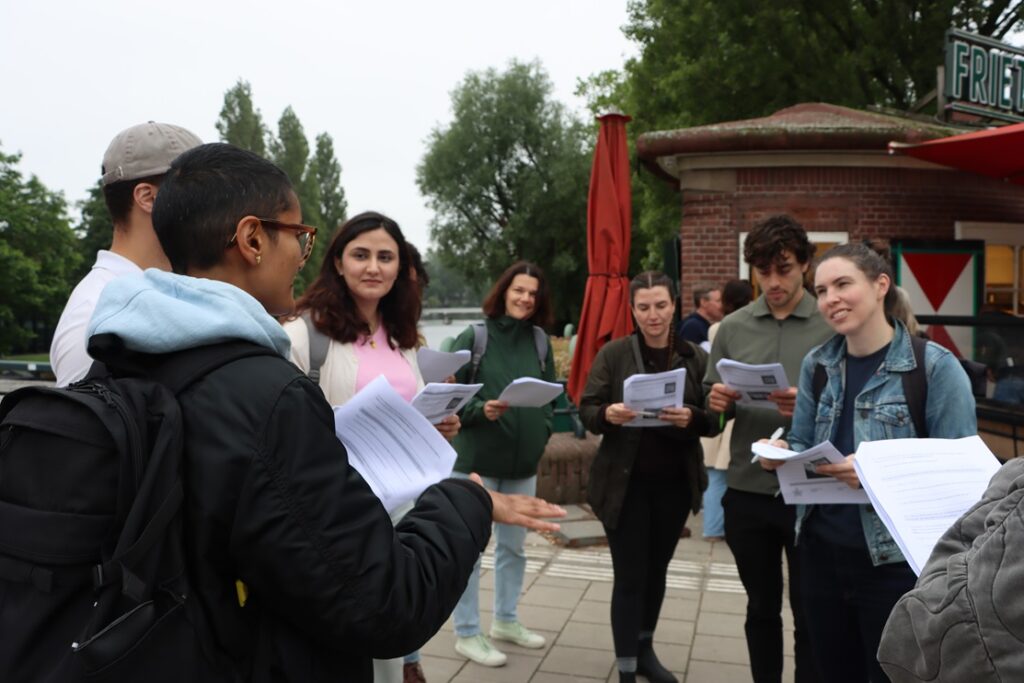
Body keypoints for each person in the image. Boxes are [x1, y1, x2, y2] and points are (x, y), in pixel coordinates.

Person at [83, 142, 564, 681]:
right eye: (300, 236)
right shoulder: (270, 391)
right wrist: (468, 499)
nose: (301, 254)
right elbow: (384, 602)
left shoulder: (114, 361)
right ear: (252, 239)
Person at [761, 243, 976, 682]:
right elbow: (803, 439)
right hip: (820, 552)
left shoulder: (934, 367)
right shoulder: (817, 365)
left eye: (843, 284)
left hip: (895, 566)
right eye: (821, 290)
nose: (830, 299)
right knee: (830, 671)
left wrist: (875, 473)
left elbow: (963, 476)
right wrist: (780, 452)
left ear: (881, 285)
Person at [282, 212, 458, 683]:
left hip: (405, 503)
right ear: (338, 262)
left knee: (397, 617)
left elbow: (406, 411)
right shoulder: (303, 335)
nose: (373, 267)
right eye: (361, 255)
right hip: (342, 508)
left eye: (386, 257)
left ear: (400, 267)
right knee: (358, 630)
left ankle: (408, 663)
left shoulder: (405, 338)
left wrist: (435, 425)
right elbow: (280, 424)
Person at [703, 215, 832, 683]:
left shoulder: (831, 323)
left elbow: (855, 405)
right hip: (748, 487)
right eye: (763, 271)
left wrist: (809, 405)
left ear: (805, 265)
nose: (773, 282)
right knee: (760, 607)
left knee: (810, 609)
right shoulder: (733, 327)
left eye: (784, 269)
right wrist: (716, 402)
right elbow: (709, 408)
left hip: (813, 490)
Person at [580, 271, 713, 683]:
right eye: (643, 307)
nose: (653, 315)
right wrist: (608, 415)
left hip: (674, 485)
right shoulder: (615, 354)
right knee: (631, 574)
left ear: (673, 305)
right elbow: (587, 408)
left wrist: (693, 416)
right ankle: (626, 668)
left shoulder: (694, 356)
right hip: (625, 485)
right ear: (632, 309)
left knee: (658, 570)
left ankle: (645, 649)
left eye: (660, 306)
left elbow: (715, 420)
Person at [447, 261, 556, 668]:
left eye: (532, 293)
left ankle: (507, 621)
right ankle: (467, 632)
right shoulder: (474, 336)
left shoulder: (542, 341)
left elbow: (552, 399)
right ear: (503, 291)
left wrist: (543, 432)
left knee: (514, 549)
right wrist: (479, 410)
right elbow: (445, 392)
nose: (525, 298)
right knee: (469, 552)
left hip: (522, 465)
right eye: (519, 290)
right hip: (475, 462)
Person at [50, 121, 202, 386]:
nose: (214, 206)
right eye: (199, 192)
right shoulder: (94, 318)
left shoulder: (139, 297)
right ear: (148, 198)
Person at [700, 278, 753, 541]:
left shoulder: (714, 328)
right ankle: (717, 527)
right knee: (721, 473)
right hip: (733, 403)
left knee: (714, 473)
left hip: (719, 402)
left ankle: (712, 527)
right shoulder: (739, 328)